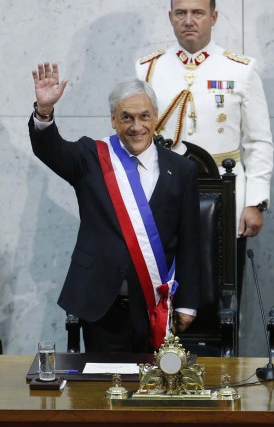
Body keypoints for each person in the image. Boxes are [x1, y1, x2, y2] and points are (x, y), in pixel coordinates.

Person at [30, 63, 201, 352]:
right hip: (100, 304)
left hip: (156, 305)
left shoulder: (181, 170)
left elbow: (190, 241)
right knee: (99, 391)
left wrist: (189, 304)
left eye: (145, 116)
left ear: (156, 118)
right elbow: (50, 148)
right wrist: (44, 111)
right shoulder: (90, 157)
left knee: (156, 390)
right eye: (127, 118)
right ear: (113, 120)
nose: (137, 127)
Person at [135, 0, 273, 241]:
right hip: (162, 189)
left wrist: (255, 201)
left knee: (223, 274)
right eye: (181, 13)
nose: (188, 20)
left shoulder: (240, 69)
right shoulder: (148, 69)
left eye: (198, 12)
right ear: (170, 17)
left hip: (225, 190)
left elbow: (258, 141)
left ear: (214, 17)